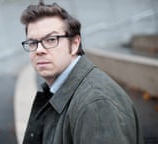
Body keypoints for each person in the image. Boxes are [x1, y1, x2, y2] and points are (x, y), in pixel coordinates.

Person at [20, 2, 143, 144]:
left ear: (74, 44)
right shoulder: (58, 89)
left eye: (51, 39)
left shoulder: (96, 105)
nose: (39, 50)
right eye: (33, 42)